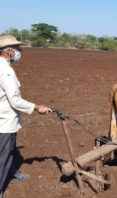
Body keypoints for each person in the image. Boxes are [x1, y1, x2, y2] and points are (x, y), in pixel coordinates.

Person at [0, 35, 52, 198]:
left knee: (10, 150)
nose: (20, 51)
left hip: (4, 118)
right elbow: (15, 101)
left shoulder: (4, 66)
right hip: (5, 120)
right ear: (8, 51)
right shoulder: (6, 72)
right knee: (4, 155)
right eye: (17, 49)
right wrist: (38, 107)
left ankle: (11, 173)